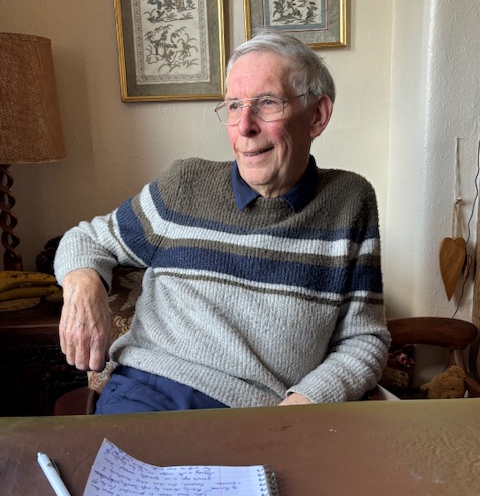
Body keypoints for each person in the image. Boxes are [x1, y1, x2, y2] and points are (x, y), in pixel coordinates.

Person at [54, 29, 390, 414]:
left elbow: (364, 339)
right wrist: (83, 287)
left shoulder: (349, 201)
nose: (244, 126)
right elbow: (87, 239)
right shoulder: (185, 185)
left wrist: (306, 402)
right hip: (147, 394)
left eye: (267, 103)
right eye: (233, 106)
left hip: (259, 414)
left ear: (317, 115)